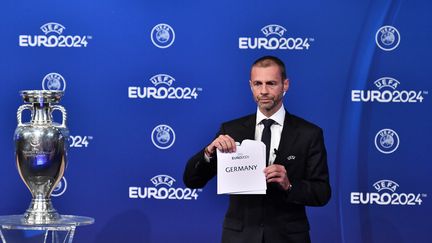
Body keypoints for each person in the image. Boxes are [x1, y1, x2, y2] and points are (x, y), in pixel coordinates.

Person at [183, 56, 331, 243]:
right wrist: (208, 152)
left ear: (285, 85)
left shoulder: (309, 134)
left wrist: (289, 185)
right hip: (240, 237)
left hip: (288, 237)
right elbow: (191, 180)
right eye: (257, 84)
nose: (263, 91)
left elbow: (322, 192)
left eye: (271, 83)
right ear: (250, 86)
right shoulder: (231, 130)